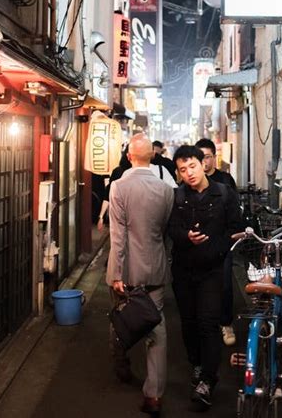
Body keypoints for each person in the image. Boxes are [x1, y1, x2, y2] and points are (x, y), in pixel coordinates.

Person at [168, 145, 242, 410]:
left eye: (192, 166)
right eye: (183, 169)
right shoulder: (177, 197)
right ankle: (197, 365)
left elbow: (236, 228)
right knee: (188, 322)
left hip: (213, 270)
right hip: (183, 270)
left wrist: (217, 247)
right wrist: (185, 236)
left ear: (203, 164)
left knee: (208, 322)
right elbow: (171, 229)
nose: (189, 173)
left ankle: (208, 381)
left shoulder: (224, 194)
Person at [106, 134, 174, 416]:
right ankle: (154, 394)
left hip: (128, 269)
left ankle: (122, 366)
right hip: (156, 266)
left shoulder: (119, 187)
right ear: (152, 156)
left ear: (129, 156)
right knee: (156, 328)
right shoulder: (166, 189)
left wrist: (116, 272)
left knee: (122, 318)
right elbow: (167, 231)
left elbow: (118, 235)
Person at [195, 138, 238, 347]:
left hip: (222, 242)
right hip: (198, 244)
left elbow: (235, 211)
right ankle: (204, 326)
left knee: (225, 284)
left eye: (208, 157)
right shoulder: (192, 181)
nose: (205, 161)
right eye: (200, 157)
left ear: (214, 157)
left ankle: (226, 323)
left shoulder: (225, 180)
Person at [97, 146, 176, 231]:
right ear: (152, 154)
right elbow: (174, 193)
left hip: (131, 224)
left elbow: (109, 197)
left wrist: (102, 217)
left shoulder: (122, 172)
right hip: (156, 223)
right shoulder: (160, 170)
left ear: (128, 155)